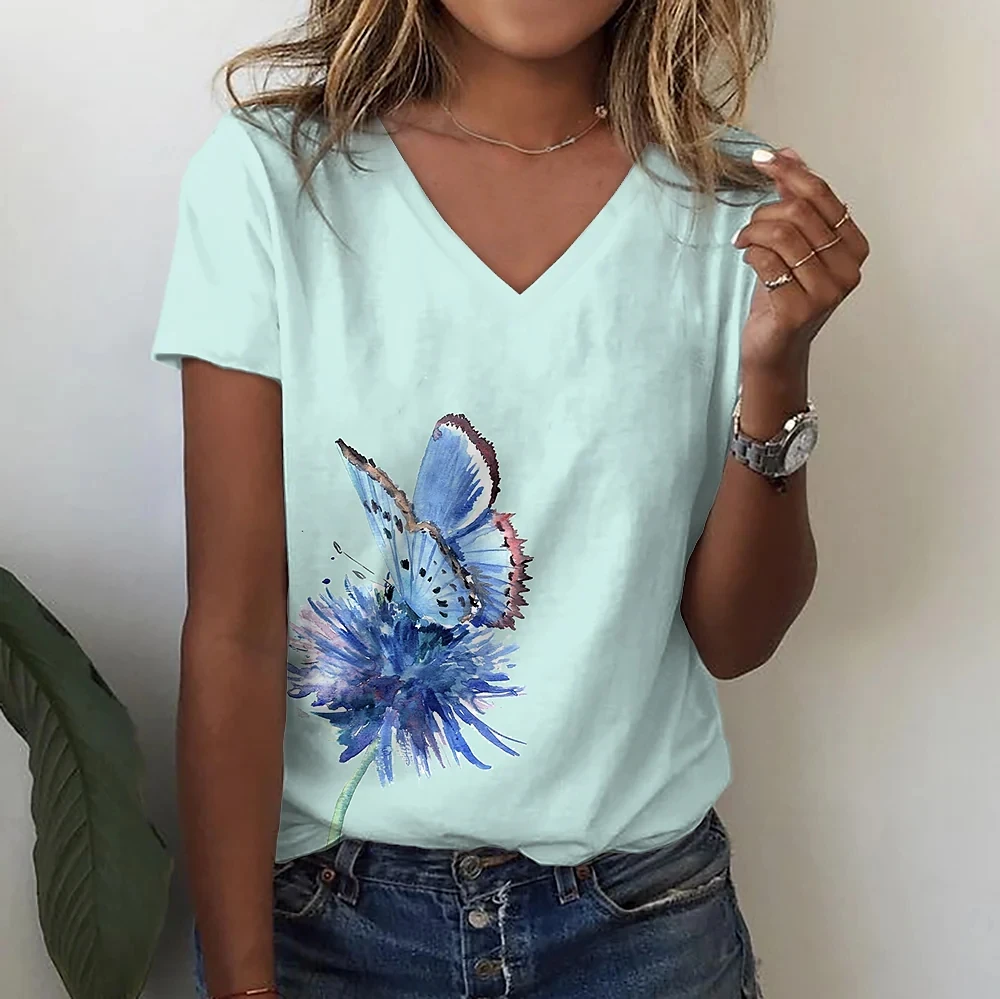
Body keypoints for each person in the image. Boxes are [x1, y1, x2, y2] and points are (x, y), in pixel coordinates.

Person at [152, 1, 869, 996]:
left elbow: (735, 638)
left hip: (641, 923)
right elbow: (235, 629)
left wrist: (778, 367)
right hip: (329, 923)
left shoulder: (735, 205)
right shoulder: (275, 177)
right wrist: (240, 982)